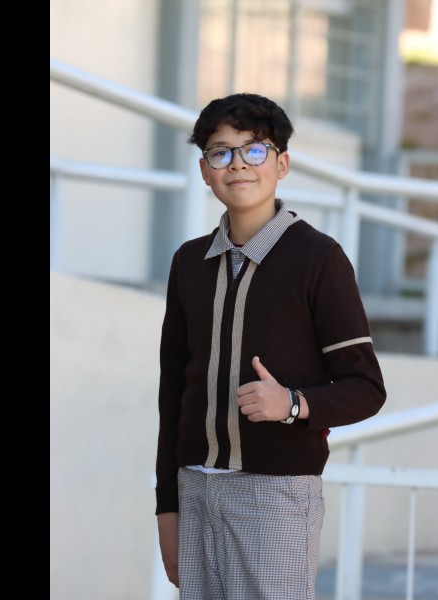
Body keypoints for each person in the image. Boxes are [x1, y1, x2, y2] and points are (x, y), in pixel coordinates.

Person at [155, 92, 386, 600]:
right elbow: (172, 394)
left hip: (275, 495)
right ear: (204, 170)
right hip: (195, 490)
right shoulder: (189, 262)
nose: (238, 164)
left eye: (254, 149)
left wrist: (293, 404)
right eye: (221, 152)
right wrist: (167, 506)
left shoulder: (319, 258)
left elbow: (367, 387)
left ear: (281, 164)